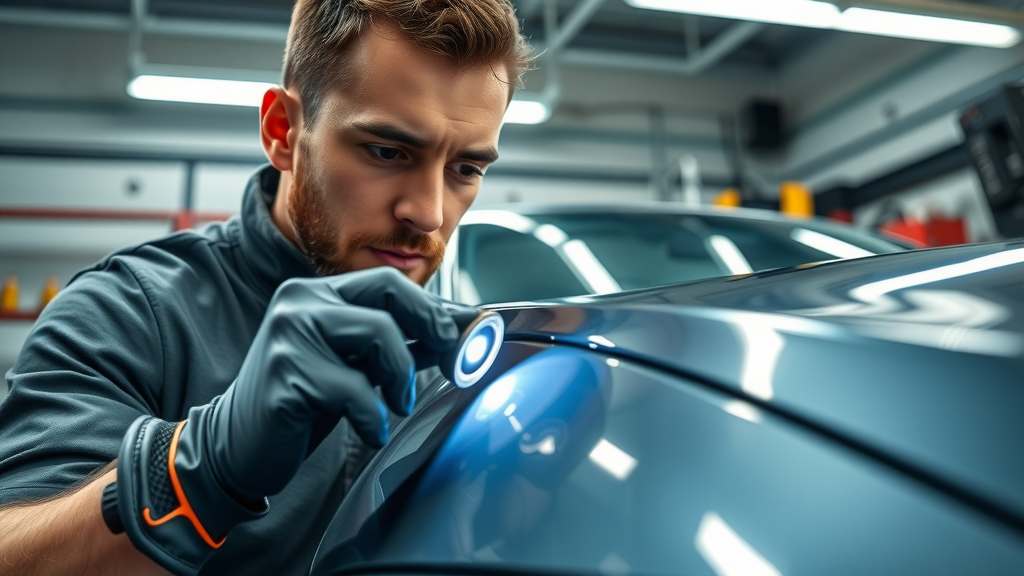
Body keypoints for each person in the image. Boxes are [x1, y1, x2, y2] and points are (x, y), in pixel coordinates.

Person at [0, 0, 533, 574]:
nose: (428, 214)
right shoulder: (126, 314)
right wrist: (199, 468)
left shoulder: (450, 362)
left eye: (466, 169)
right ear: (284, 131)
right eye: (387, 151)